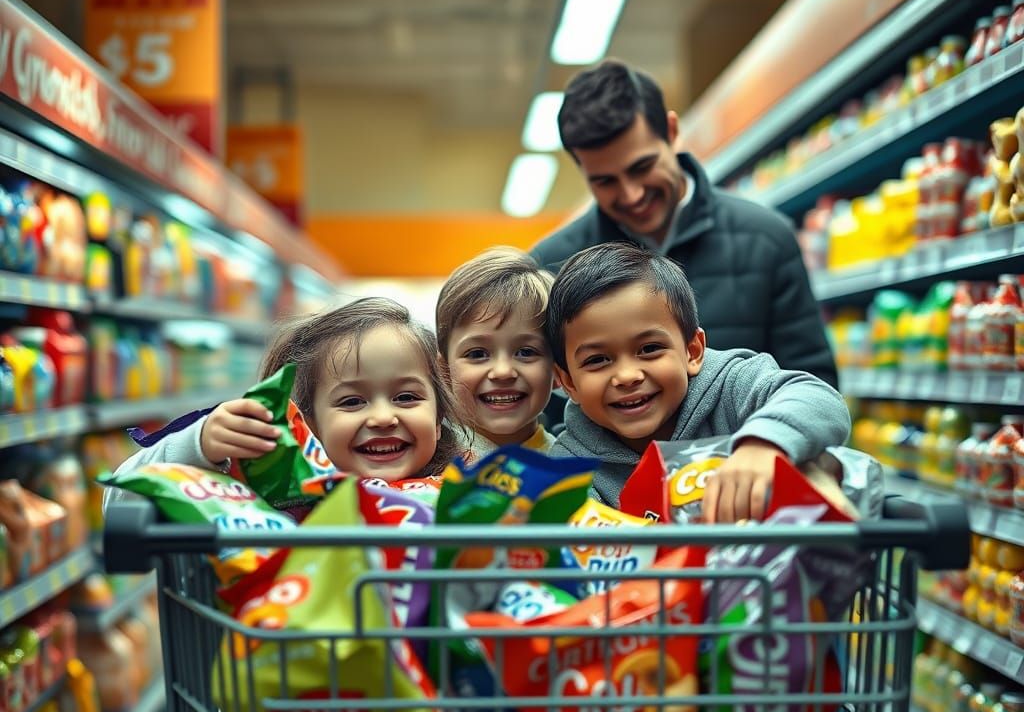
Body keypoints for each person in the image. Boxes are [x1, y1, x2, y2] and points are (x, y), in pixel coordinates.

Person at [531, 59, 837, 389]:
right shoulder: (550, 266)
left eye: (642, 167)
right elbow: (544, 406)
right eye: (605, 181)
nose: (631, 194)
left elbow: (812, 382)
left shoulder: (766, 238)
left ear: (672, 132)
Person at [545, 242, 850, 519]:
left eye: (649, 349)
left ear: (693, 351)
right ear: (569, 382)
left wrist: (764, 444)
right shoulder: (571, 463)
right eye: (597, 360)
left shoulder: (732, 386)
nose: (627, 376)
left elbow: (818, 398)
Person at [102, 297, 466, 510]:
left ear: (438, 418)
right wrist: (199, 444)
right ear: (307, 426)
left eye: (406, 397)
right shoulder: (272, 497)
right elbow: (121, 500)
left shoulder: (466, 492)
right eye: (352, 401)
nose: (384, 417)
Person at [435, 248, 556, 459]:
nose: (502, 371)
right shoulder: (421, 462)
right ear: (444, 371)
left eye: (526, 352)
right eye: (477, 354)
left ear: (559, 370)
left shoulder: (574, 470)